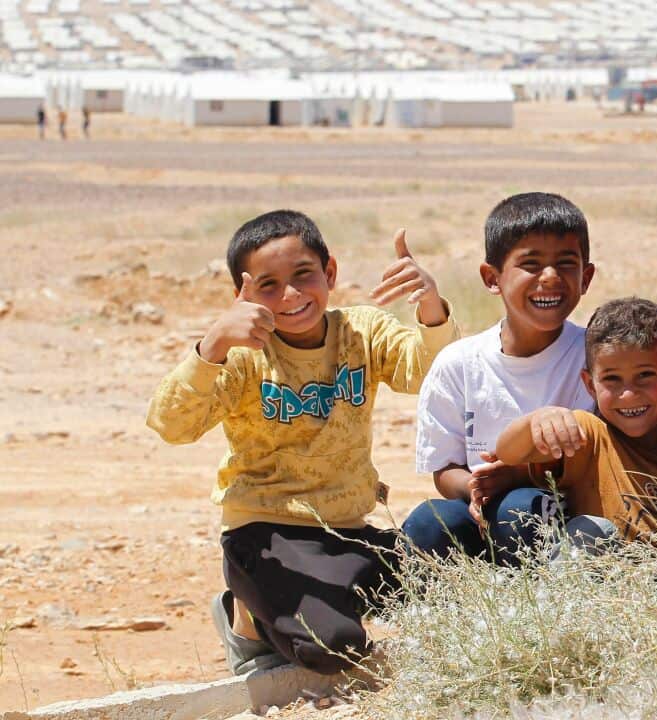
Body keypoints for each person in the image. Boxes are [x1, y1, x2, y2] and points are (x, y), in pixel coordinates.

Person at [146, 210, 458, 675]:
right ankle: (246, 612)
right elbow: (172, 425)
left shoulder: (362, 331)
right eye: (268, 285)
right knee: (335, 647)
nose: (290, 295)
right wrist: (212, 345)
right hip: (269, 535)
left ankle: (286, 601)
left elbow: (428, 373)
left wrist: (430, 306)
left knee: (464, 597)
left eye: (303, 275)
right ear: (242, 296)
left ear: (329, 272)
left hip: (350, 532)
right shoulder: (243, 355)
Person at [403, 192, 596, 564]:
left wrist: (521, 475)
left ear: (586, 277)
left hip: (566, 521)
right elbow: (445, 470)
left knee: (521, 507)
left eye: (566, 263)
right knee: (430, 521)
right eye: (531, 264)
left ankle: (527, 609)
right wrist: (476, 488)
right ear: (492, 278)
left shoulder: (595, 356)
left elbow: (599, 457)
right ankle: (444, 613)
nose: (551, 277)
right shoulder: (458, 363)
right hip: (480, 512)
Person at [494, 297, 657, 551]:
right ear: (590, 385)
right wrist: (539, 419)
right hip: (602, 582)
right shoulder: (589, 437)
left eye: (645, 375)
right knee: (587, 529)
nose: (628, 394)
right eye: (612, 379)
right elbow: (508, 452)